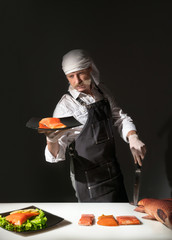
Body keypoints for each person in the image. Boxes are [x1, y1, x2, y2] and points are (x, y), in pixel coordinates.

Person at [43, 49, 146, 202]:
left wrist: (133, 137)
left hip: (112, 170)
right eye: (71, 76)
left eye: (81, 73)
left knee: (123, 218)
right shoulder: (65, 106)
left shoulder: (102, 91)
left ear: (90, 68)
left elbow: (118, 116)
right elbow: (55, 154)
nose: (77, 80)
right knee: (96, 222)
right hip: (88, 178)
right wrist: (51, 140)